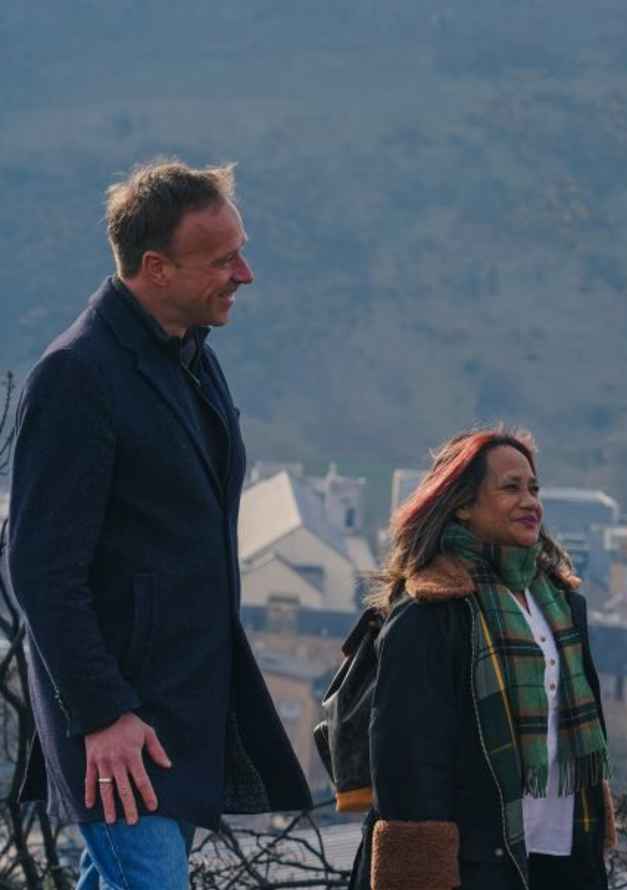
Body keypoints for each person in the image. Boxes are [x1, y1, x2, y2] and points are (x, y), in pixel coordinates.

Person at [5, 159, 312, 888]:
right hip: (119, 727)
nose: (245, 273)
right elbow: (39, 569)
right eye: (223, 259)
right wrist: (104, 715)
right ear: (156, 267)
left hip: (177, 715)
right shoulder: (77, 375)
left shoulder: (193, 362)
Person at [352, 427, 615, 890]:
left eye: (533, 488)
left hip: (561, 853)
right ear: (462, 504)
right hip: (473, 863)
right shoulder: (431, 612)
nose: (530, 501)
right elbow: (407, 761)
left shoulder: (562, 605)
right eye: (510, 488)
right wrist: (423, 874)